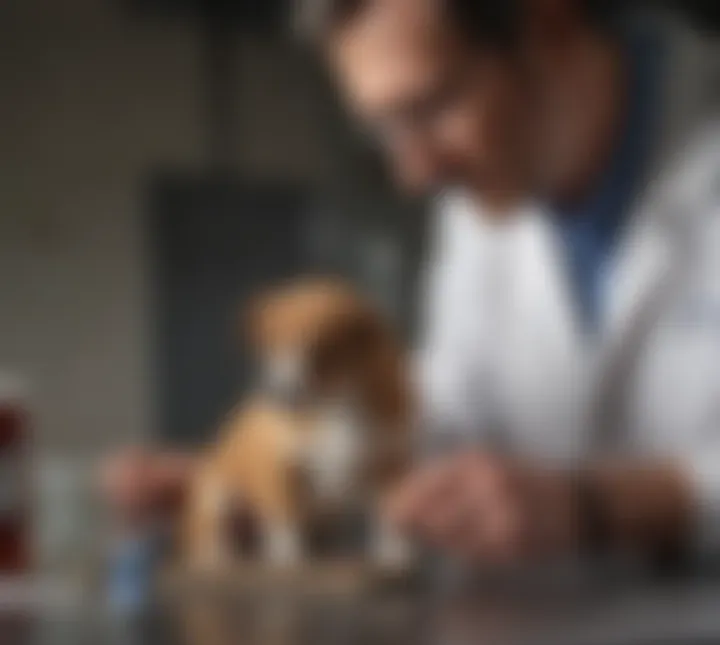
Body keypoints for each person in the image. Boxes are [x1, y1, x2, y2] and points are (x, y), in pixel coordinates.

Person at [102, 0, 719, 570]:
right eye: (385, 131)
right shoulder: (484, 204)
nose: (414, 174)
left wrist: (601, 506)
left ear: (548, 21)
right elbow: (447, 418)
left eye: (429, 109)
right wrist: (268, 473)